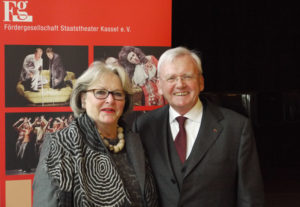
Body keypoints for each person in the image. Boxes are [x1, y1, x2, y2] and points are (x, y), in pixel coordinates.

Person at [133, 47, 264, 207]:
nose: (180, 85)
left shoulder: (236, 127)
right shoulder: (144, 126)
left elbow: (250, 199)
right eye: (171, 78)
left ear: (201, 82)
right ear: (159, 86)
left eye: (187, 76)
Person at [33, 61, 159, 206]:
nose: (110, 100)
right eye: (100, 92)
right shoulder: (59, 145)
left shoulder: (135, 141)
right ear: (83, 99)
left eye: (117, 94)